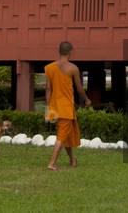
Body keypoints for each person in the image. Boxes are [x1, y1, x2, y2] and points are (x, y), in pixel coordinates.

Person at [44, 41, 91, 170]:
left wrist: (48, 108)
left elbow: (48, 89)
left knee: (67, 135)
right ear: (70, 52)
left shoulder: (49, 67)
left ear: (59, 51)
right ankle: (52, 163)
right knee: (62, 136)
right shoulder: (73, 68)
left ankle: (72, 160)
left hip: (54, 106)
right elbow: (79, 89)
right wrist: (86, 100)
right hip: (65, 107)